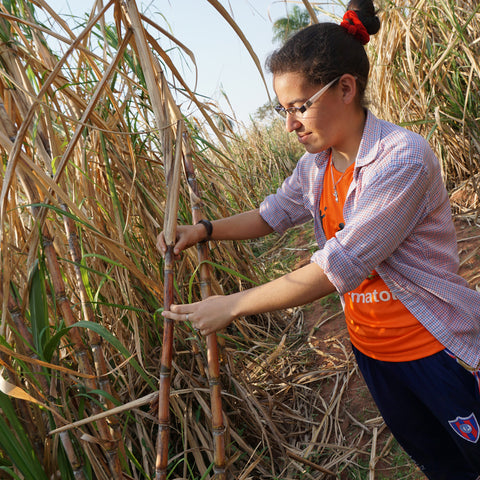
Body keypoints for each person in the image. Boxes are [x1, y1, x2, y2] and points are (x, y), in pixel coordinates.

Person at [157, 1, 480, 478]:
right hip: (374, 351)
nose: (289, 125)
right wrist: (203, 230)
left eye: (298, 107)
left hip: (435, 347)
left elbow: (340, 265)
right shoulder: (317, 165)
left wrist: (233, 305)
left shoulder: (401, 160)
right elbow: (273, 214)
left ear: (346, 88)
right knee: (437, 462)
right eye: (282, 110)